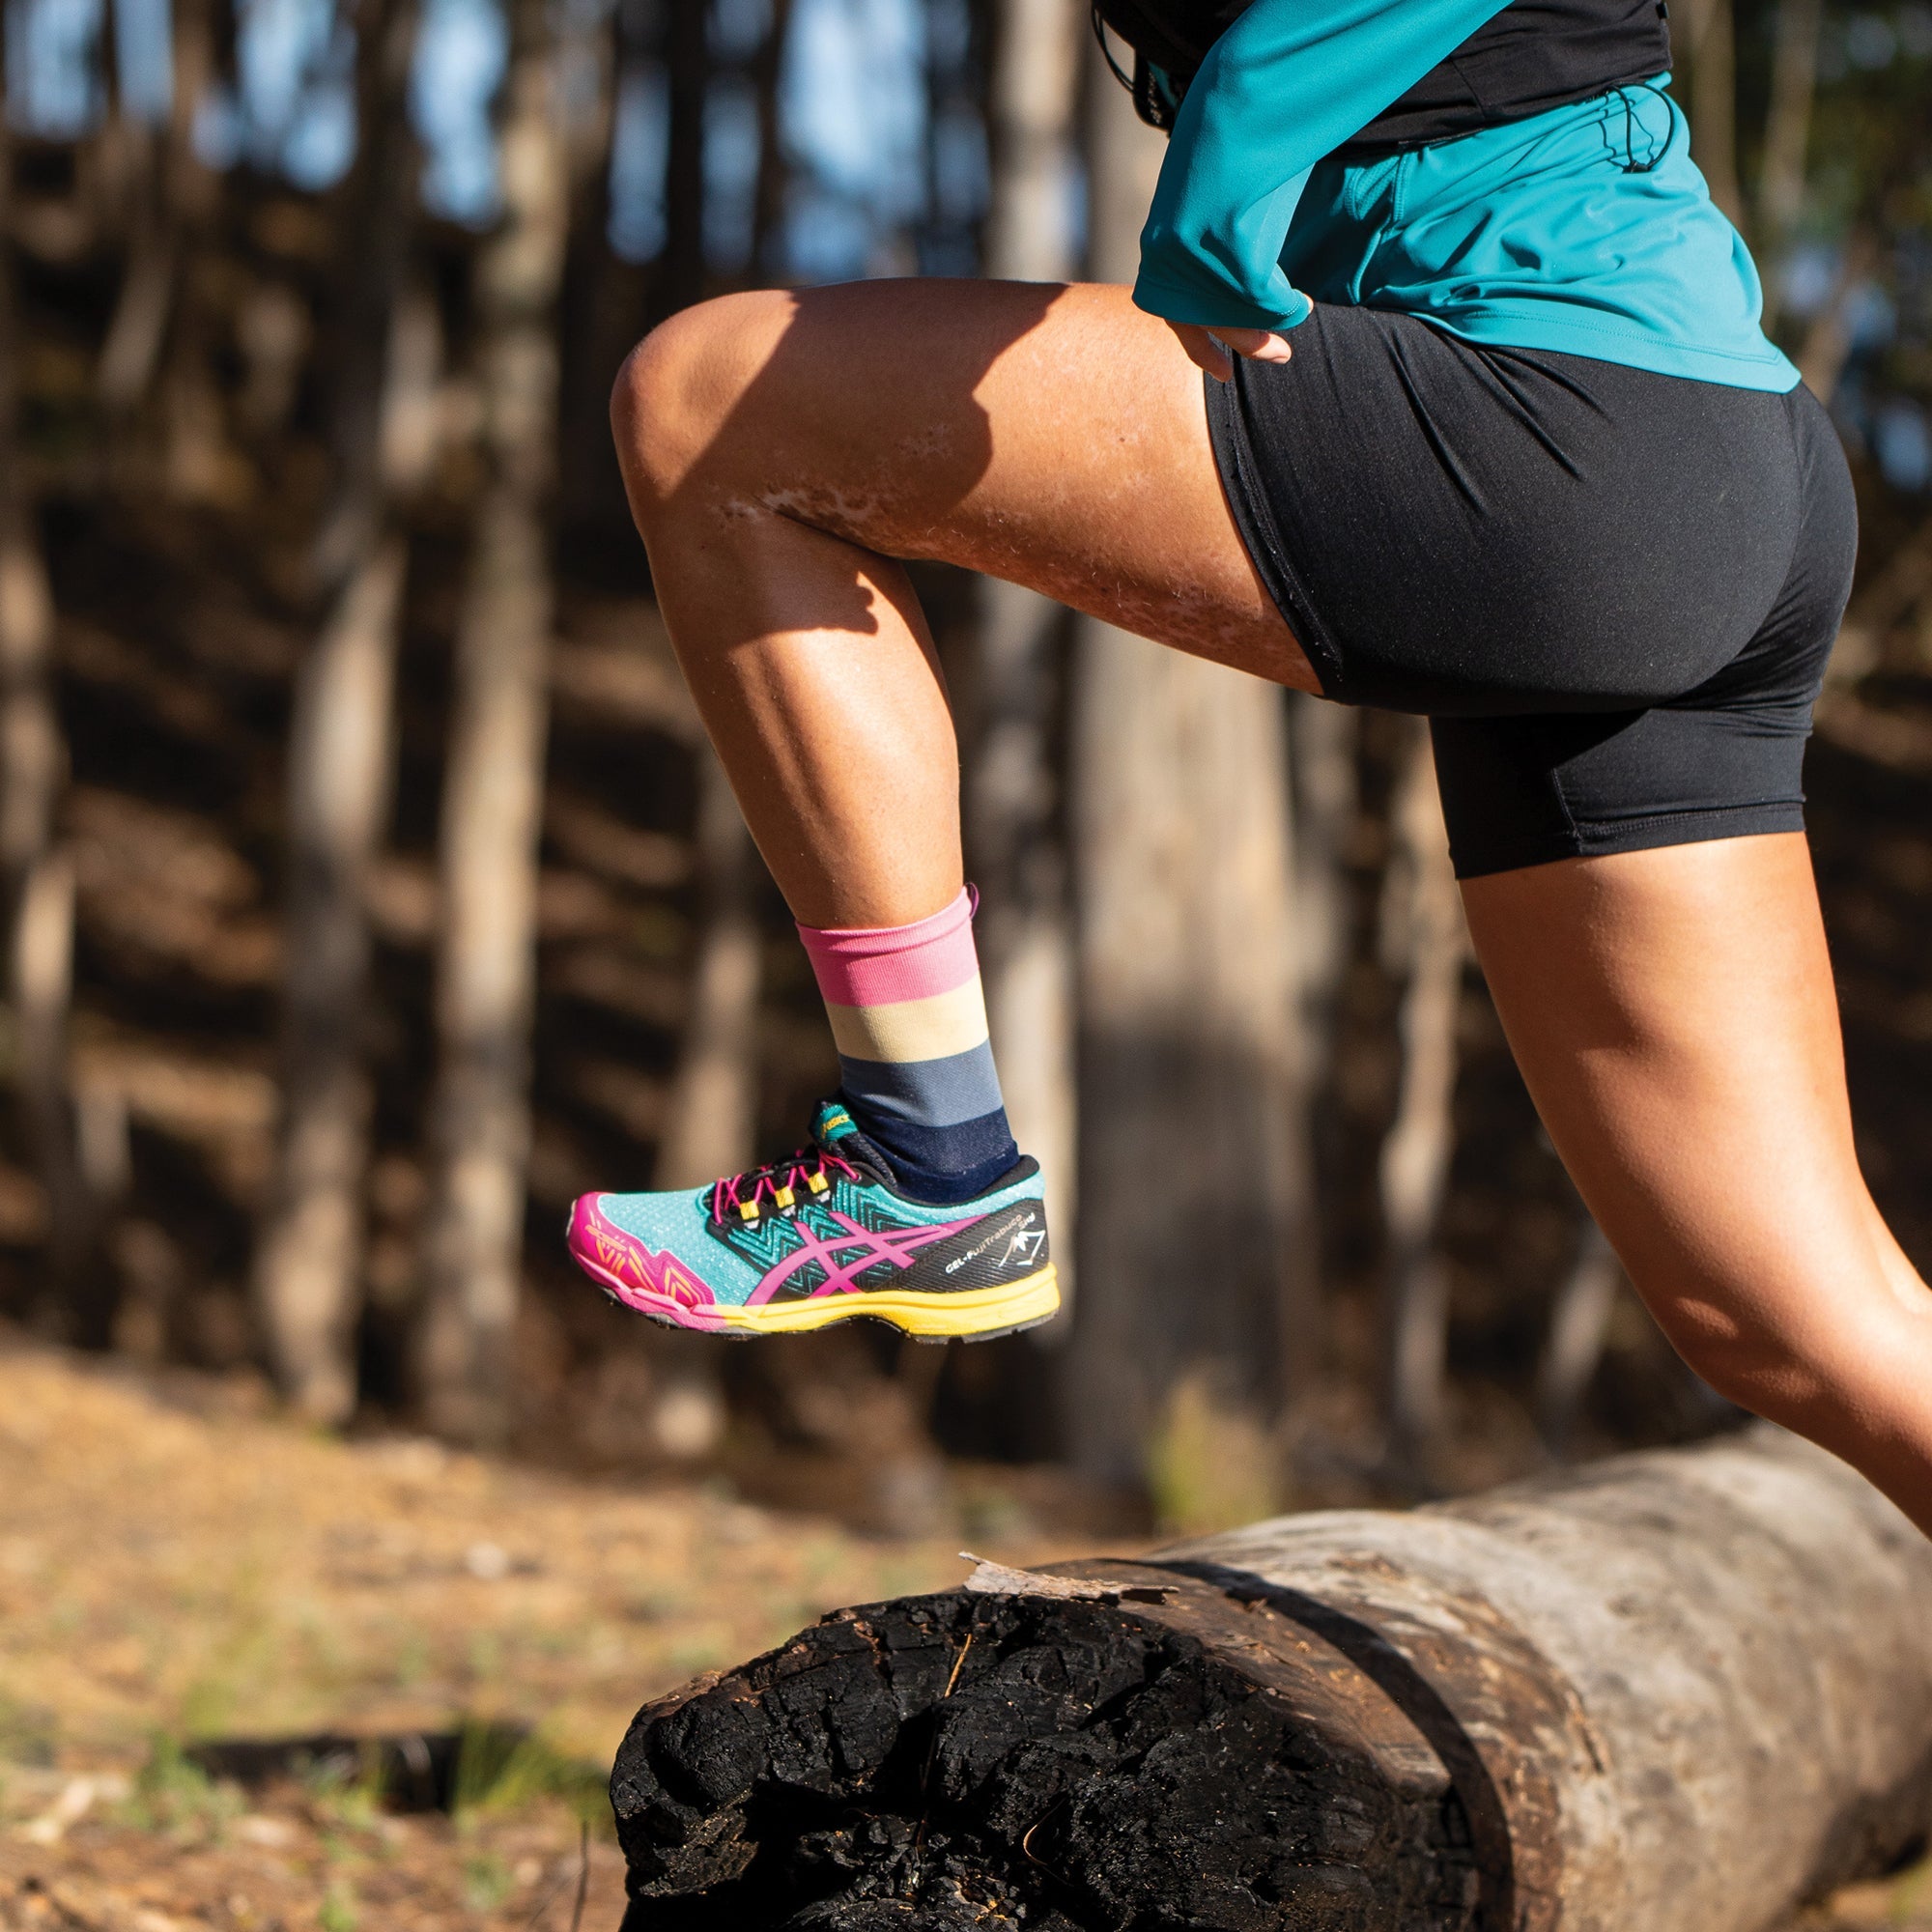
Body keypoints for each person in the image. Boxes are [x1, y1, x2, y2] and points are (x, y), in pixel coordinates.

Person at [565, 0, 1932, 1541]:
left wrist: (1234, 144)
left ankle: (926, 1149)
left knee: (712, 408)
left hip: (1561, 421)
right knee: (1793, 1323)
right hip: (1698, 444)